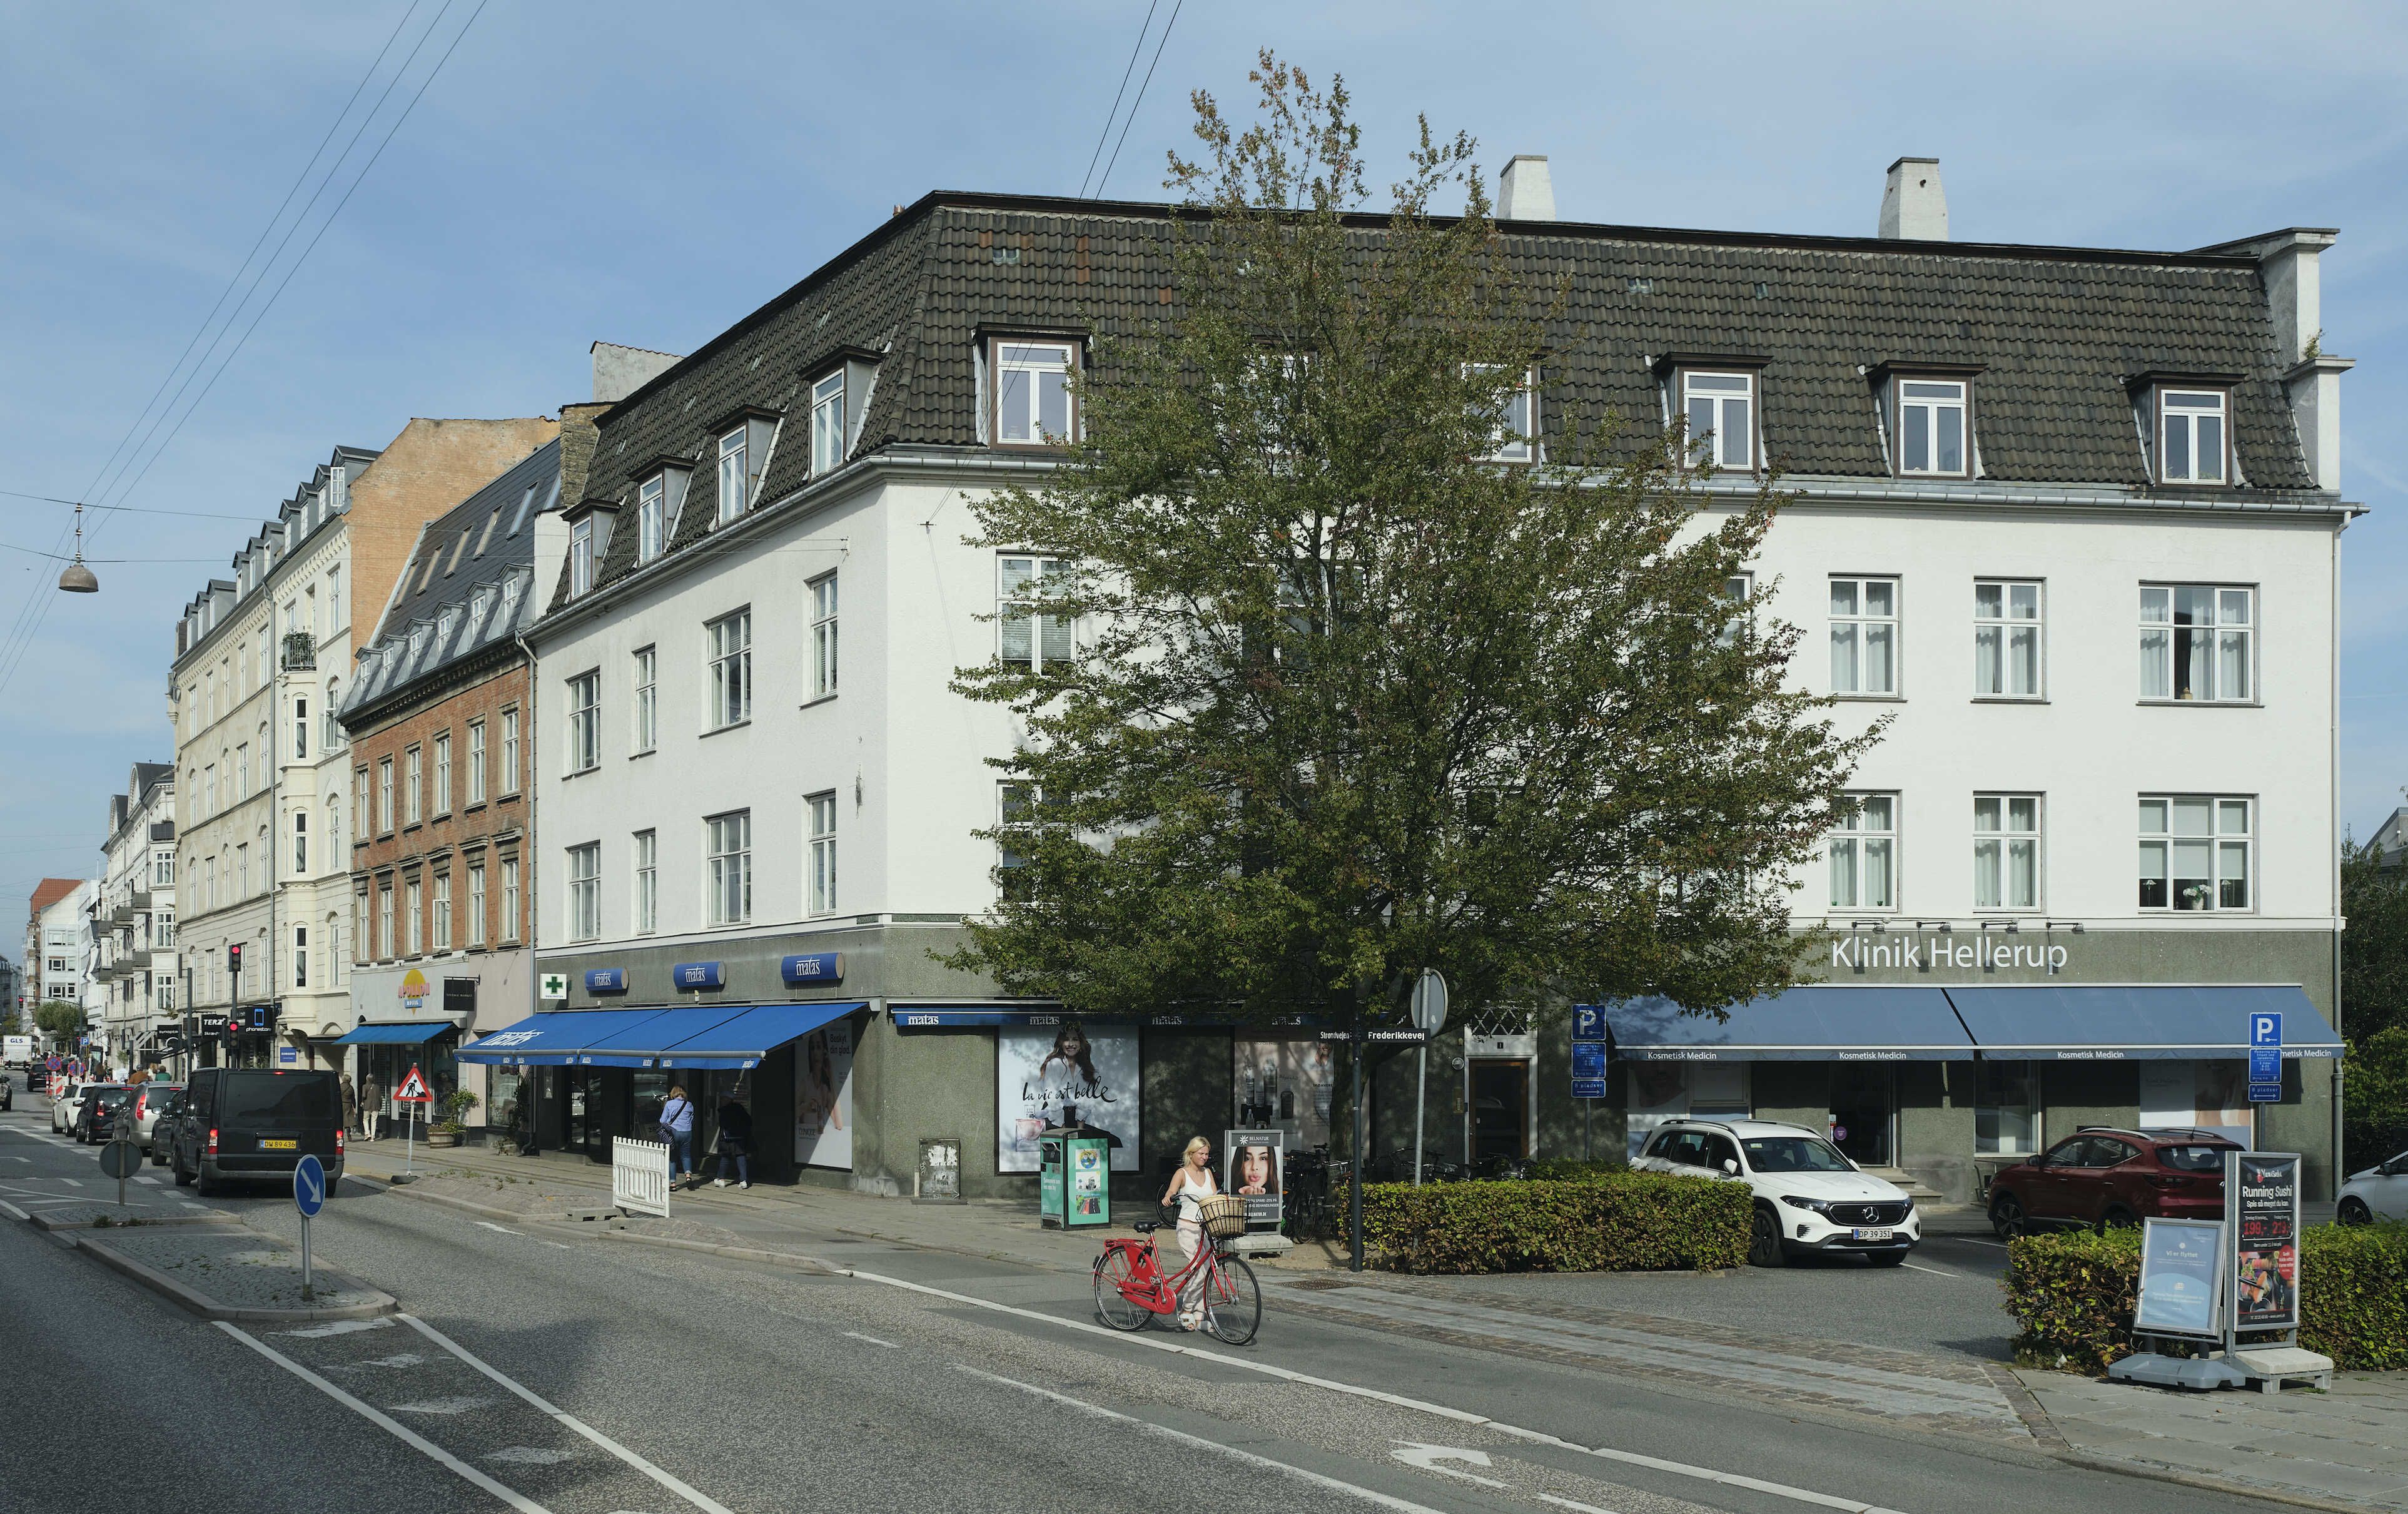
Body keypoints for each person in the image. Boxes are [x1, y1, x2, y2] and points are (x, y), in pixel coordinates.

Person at [1161, 1136, 1219, 1331]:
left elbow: (1214, 1197)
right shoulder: (1182, 1173)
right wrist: (1168, 1198)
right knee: (1199, 1270)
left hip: (1207, 1228)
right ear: (1191, 1153)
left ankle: (1199, 1314)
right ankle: (1186, 1310)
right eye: (1201, 1153)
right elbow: (1170, 1192)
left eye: (1207, 1154)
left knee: (1210, 1270)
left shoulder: (1208, 1173)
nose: (1205, 1157)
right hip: (1188, 1227)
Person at [713, 1089, 754, 1189]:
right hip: (740, 1137)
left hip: (727, 1137)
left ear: (726, 1100)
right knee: (741, 1156)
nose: (721, 1101)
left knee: (725, 1157)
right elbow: (748, 1120)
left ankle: (721, 1179)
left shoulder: (723, 1110)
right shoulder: (739, 1108)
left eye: (723, 1099)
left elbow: (722, 1124)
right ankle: (743, 1180)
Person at [660, 1084, 697, 1187]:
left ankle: (673, 1184)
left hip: (674, 1132)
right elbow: (692, 1119)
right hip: (687, 1132)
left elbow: (663, 1120)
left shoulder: (669, 1104)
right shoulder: (689, 1104)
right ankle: (688, 1176)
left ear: (673, 1093)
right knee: (686, 1155)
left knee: (672, 1158)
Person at [360, 1075, 382, 1142]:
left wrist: (362, 1102)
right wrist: (380, 1106)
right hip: (376, 1106)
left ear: (367, 1079)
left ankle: (367, 1134)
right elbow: (380, 1098)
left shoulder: (365, 1086)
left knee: (365, 1119)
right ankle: (373, 1137)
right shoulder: (377, 1087)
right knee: (374, 1121)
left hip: (367, 1105)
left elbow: (364, 1096)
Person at [341, 1074, 360, 1140]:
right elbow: (353, 1098)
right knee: (347, 1117)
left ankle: (341, 1134)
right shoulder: (351, 1088)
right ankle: (348, 1130)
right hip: (348, 1104)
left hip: (341, 1104)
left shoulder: (340, 1086)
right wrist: (354, 1106)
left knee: (341, 1118)